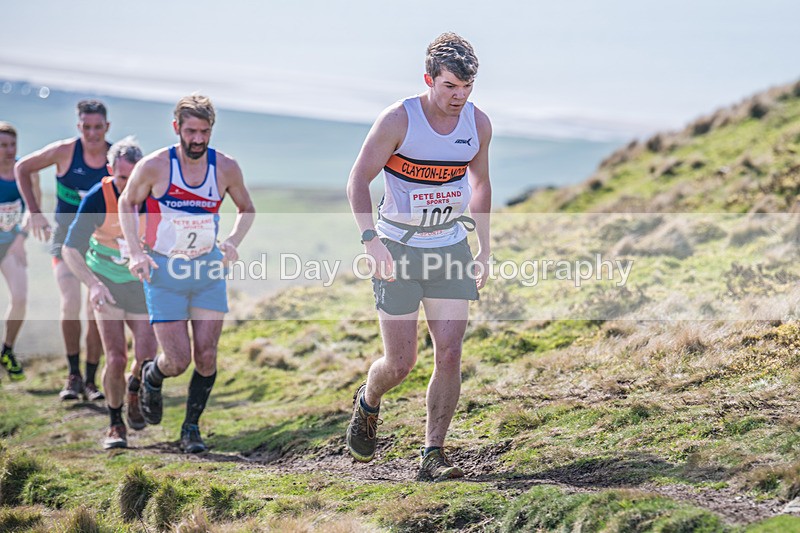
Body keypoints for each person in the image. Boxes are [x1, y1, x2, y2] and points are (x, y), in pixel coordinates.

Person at [345, 33, 492, 481]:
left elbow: (481, 185)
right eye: (449, 87)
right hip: (398, 248)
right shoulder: (398, 120)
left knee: (449, 352)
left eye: (466, 88)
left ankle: (433, 454)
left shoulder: (477, 124)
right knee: (401, 363)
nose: (458, 97)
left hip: (449, 247)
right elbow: (357, 182)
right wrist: (371, 241)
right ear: (429, 79)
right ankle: (370, 397)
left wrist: (484, 248)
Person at [119, 94, 255, 453]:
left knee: (207, 356)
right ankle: (152, 375)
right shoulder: (154, 166)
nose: (198, 139)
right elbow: (127, 202)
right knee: (177, 361)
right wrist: (135, 251)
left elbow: (246, 208)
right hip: (165, 271)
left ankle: (191, 429)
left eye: (205, 132)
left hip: (207, 268)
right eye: (191, 131)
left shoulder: (225, 167)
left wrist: (232, 241)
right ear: (176, 127)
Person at [62, 137, 158, 449]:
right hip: (106, 281)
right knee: (116, 357)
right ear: (109, 170)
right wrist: (93, 285)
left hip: (140, 284)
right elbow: (69, 249)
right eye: (121, 179)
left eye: (134, 179)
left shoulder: (153, 196)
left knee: (146, 356)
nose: (128, 186)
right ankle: (115, 424)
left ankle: (134, 390)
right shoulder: (96, 197)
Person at [15, 100, 108, 401]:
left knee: (95, 310)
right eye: (86, 127)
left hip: (101, 247)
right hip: (65, 242)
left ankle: (92, 380)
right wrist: (34, 210)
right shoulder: (65, 152)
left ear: (106, 127)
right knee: (69, 304)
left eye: (98, 127)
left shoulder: (114, 158)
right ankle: (73, 375)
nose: (92, 133)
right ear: (79, 126)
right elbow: (23, 167)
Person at [0, 122, 39, 383]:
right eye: (3, 145)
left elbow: (32, 208)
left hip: (12, 243)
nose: (9, 150)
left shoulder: (25, 170)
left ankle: (7, 350)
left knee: (21, 298)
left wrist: (20, 239)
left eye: (12, 144)